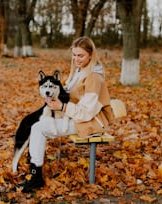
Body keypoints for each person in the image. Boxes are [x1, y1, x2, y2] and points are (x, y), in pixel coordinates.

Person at [21, 36, 114, 193]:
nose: (76, 59)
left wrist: (62, 106)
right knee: (34, 123)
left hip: (90, 122)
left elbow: (86, 112)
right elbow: (70, 94)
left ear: (91, 55)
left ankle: (35, 177)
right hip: (75, 116)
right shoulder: (79, 71)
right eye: (74, 55)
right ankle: (33, 171)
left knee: (38, 128)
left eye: (81, 55)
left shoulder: (93, 77)